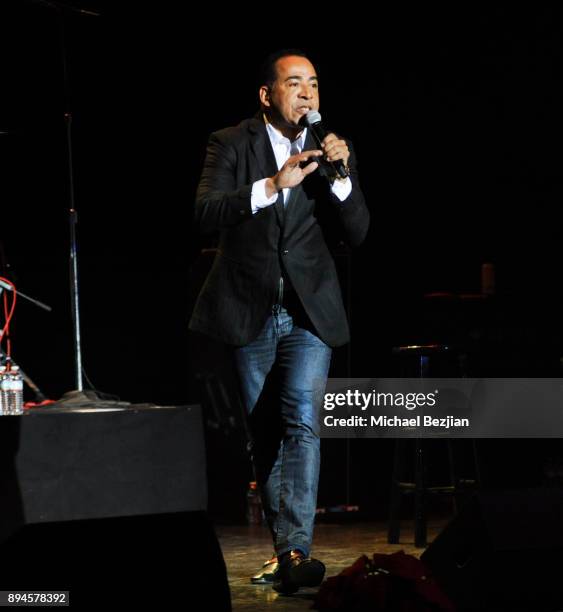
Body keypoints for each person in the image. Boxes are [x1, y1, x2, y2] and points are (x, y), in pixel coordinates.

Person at [189, 49, 369, 594]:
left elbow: (358, 231)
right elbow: (204, 213)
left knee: (301, 420)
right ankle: (284, 550)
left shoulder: (333, 150)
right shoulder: (232, 142)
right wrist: (272, 184)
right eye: (295, 83)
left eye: (314, 84)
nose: (308, 94)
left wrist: (340, 179)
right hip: (248, 310)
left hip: (309, 312)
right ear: (268, 95)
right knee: (264, 434)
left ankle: (297, 550)